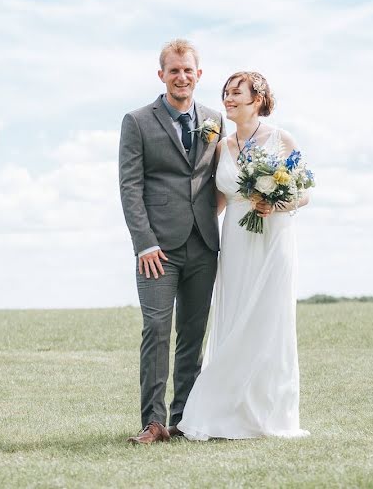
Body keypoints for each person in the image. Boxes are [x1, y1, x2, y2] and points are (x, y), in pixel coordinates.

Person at [176, 71, 310, 440]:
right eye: (226, 93)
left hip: (274, 242)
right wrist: (184, 232)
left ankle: (269, 413)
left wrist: (277, 202)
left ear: (258, 99)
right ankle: (225, 409)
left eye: (237, 93)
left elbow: (305, 194)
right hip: (235, 241)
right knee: (235, 318)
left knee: (270, 321)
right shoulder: (220, 146)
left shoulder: (282, 139)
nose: (228, 99)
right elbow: (216, 202)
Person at [118, 39, 225, 444]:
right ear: (161, 75)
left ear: (199, 75)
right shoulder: (137, 121)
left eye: (188, 70)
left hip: (203, 244)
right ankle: (153, 422)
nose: (182, 77)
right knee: (157, 330)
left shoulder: (216, 119)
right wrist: (144, 242)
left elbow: (217, 178)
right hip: (156, 250)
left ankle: (185, 419)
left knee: (193, 334)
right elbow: (130, 186)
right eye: (174, 70)